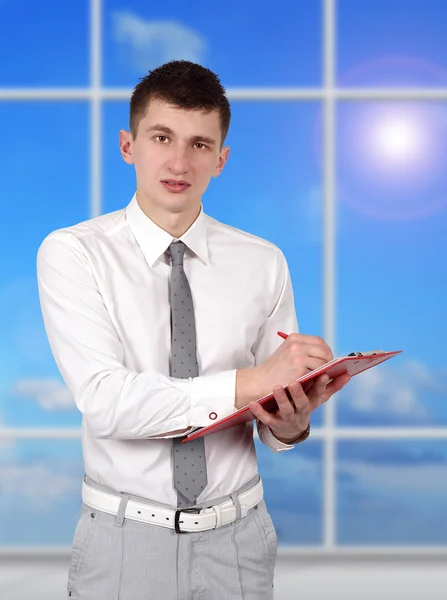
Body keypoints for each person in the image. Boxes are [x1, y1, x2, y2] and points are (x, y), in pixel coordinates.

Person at [36, 59, 351, 600]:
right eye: (162, 137)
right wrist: (252, 381)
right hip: (124, 544)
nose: (179, 161)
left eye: (200, 145)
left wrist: (291, 422)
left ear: (221, 159)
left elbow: (271, 421)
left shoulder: (263, 261)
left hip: (239, 541)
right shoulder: (73, 253)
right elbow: (107, 403)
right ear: (127, 146)